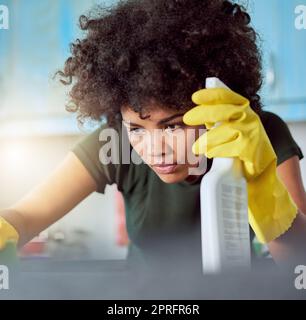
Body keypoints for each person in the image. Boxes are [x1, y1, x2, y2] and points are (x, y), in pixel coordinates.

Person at [1, 0, 306, 271]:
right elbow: (25, 217)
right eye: (136, 128)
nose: (155, 149)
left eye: (173, 126)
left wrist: (268, 199)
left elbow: (299, 268)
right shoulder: (114, 143)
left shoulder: (258, 135)